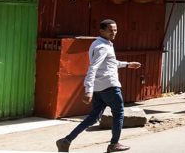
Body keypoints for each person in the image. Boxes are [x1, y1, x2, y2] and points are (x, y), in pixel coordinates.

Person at [56, 19, 141, 153]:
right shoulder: (102, 46)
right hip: (110, 86)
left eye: (115, 30)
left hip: (100, 88)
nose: (114, 33)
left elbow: (110, 63)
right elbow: (93, 68)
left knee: (93, 117)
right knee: (119, 113)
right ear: (101, 30)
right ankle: (114, 144)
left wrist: (127, 64)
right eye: (110, 30)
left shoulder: (100, 44)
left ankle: (66, 141)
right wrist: (88, 90)